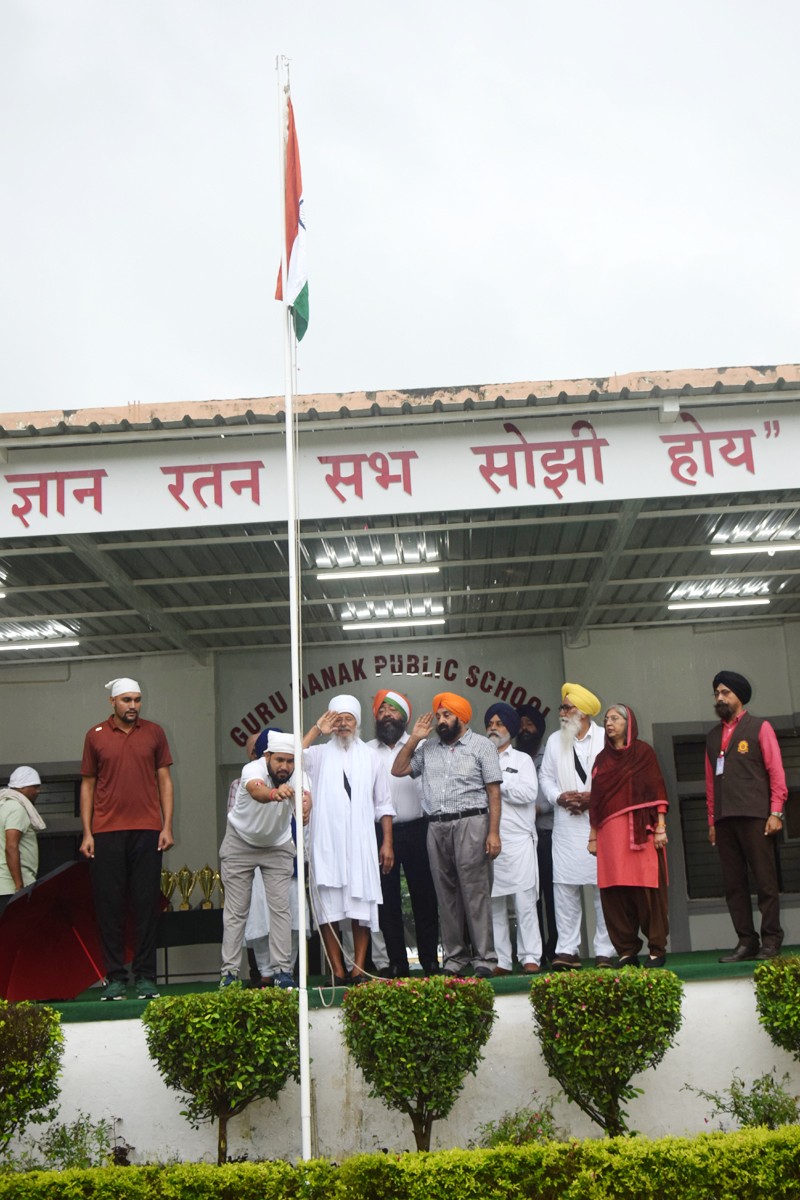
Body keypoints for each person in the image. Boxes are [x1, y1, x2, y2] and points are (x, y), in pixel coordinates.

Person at [392, 691, 502, 978]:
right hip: (437, 826)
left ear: (461, 717)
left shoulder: (482, 746)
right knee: (446, 894)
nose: (441, 721)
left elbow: (494, 792)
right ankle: (455, 958)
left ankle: (485, 958)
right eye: (439, 715)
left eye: (447, 715)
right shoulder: (428, 748)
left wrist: (493, 833)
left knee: (475, 892)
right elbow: (398, 769)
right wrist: (414, 738)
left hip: (472, 822)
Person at [80, 677, 175, 1000]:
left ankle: (146, 977)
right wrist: (87, 832)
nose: (133, 705)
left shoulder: (154, 733)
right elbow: (88, 785)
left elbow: (164, 780)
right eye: (126, 700)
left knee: (146, 905)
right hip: (106, 833)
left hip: (148, 830)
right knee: (109, 907)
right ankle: (116, 978)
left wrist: (167, 826)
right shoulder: (95, 735)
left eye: (137, 699)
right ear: (113, 702)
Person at [303, 695, 395, 984]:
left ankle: (358, 970)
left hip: (360, 843)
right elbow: (293, 759)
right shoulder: (318, 754)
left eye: (348, 719)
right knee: (328, 908)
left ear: (357, 723)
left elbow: (384, 804)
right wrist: (316, 729)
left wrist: (387, 843)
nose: (343, 724)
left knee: (360, 905)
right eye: (338, 719)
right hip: (327, 843)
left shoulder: (371, 756)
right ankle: (337, 971)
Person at [705, 670, 787, 963]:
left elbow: (776, 772)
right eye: (717, 693)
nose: (720, 697)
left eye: (725, 692)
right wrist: (712, 820)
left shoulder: (759, 727)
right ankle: (746, 942)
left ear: (739, 696)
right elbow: (710, 783)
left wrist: (775, 812)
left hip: (755, 816)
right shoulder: (712, 737)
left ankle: (771, 940)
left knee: (765, 881)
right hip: (724, 820)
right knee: (733, 885)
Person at [219, 730, 310, 989]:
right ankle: (229, 973)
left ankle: (283, 972)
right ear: (267, 756)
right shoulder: (253, 769)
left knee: (280, 909)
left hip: (277, 845)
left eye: (290, 761)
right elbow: (257, 790)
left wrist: (305, 809)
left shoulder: (299, 774)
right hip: (240, 841)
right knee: (236, 911)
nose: (285, 767)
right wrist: (275, 794)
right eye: (279, 760)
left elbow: (306, 799)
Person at [538, 682, 615, 969]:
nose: (561, 712)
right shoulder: (554, 741)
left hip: (600, 822)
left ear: (583, 712)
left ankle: (605, 951)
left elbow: (616, 777)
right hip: (566, 824)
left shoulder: (605, 738)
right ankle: (567, 950)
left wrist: (593, 798)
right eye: (562, 708)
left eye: (566, 708)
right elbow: (545, 778)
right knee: (564, 888)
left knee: (603, 888)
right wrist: (559, 797)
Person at [588, 705, 670, 967]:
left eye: (615, 718)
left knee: (646, 889)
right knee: (615, 892)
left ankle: (656, 949)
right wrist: (592, 837)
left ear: (629, 723)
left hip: (640, 834)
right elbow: (596, 803)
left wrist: (660, 826)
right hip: (609, 836)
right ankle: (626, 951)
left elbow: (656, 788)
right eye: (606, 719)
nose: (609, 723)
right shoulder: (601, 760)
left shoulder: (643, 752)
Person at [366, 689, 440, 976]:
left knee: (425, 895)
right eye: (382, 710)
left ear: (404, 717)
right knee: (387, 900)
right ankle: (396, 962)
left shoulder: (422, 747)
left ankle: (430, 960)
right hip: (379, 833)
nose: (387, 715)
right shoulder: (366, 751)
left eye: (393, 710)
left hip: (418, 829)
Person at [485, 703, 542, 975]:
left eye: (499, 723)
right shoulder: (480, 759)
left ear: (510, 728)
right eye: (490, 724)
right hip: (489, 840)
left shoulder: (522, 760)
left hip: (519, 841)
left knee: (524, 902)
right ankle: (502, 961)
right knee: (495, 903)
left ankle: (530, 956)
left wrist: (497, 783)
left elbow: (529, 793)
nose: (493, 728)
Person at [516, 704, 557, 962]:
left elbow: (559, 792)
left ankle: (556, 948)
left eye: (529, 724)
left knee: (553, 894)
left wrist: (539, 809)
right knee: (530, 897)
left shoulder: (550, 755)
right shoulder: (513, 758)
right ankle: (535, 952)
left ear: (539, 729)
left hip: (548, 835)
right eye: (520, 725)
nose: (524, 729)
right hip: (523, 838)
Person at [0, 767, 45, 916]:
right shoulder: (17, 808)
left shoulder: (3, 805)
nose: (38, 791)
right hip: (10, 888)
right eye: (35, 787)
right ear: (22, 787)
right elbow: (11, 846)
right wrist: (19, 887)